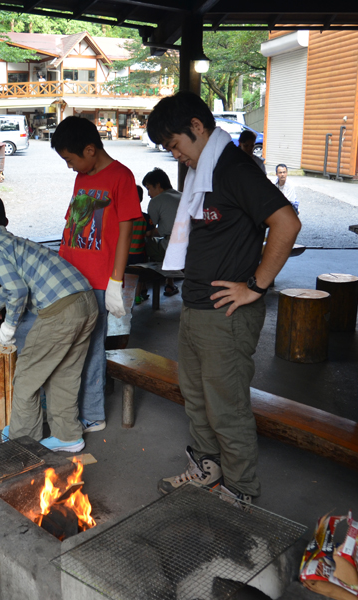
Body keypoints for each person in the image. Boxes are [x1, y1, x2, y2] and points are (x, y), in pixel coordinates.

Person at [146, 91, 301, 506]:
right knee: (196, 398)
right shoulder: (203, 173)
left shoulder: (233, 167)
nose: (176, 155)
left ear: (197, 127)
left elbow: (286, 223)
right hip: (196, 307)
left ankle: (241, 491)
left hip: (227, 314)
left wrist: (257, 286)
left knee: (226, 408)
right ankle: (207, 468)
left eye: (176, 145)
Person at [0, 193, 98, 452]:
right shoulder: (14, 242)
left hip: (60, 311)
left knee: (26, 376)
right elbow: (13, 283)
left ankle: (23, 440)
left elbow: (16, 290)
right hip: (86, 301)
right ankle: (67, 435)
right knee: (63, 373)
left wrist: (9, 326)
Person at [51, 116, 142, 433]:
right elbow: (71, 227)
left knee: (91, 349)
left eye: (70, 159)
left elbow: (126, 230)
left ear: (90, 150)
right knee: (71, 345)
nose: (69, 166)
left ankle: (93, 414)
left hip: (100, 282)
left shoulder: (121, 177)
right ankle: (71, 407)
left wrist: (115, 281)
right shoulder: (82, 177)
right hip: (73, 278)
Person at [142, 167, 183, 296]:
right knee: (166, 240)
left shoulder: (156, 201)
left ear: (158, 185)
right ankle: (169, 284)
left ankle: (141, 286)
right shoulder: (182, 196)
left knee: (141, 241)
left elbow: (148, 232)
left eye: (149, 188)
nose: (148, 194)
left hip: (172, 251)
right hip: (192, 248)